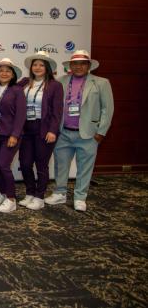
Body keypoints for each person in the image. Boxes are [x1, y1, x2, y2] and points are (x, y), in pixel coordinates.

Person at [45, 50, 114, 212]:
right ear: (70, 66)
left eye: (82, 63)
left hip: (88, 134)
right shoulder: (60, 81)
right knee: (61, 165)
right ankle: (60, 193)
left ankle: (80, 197)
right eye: (75, 64)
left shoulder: (101, 83)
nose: (78, 67)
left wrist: (101, 132)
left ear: (89, 66)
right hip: (63, 132)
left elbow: (107, 109)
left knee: (85, 168)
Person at [17, 51, 64, 211]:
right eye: (35, 65)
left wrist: (53, 130)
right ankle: (30, 192)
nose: (37, 67)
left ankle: (39, 197)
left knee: (41, 165)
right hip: (25, 128)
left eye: (41, 65)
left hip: (44, 129)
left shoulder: (55, 85)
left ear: (47, 68)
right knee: (25, 163)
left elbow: (57, 111)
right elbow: (7, 88)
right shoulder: (24, 82)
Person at [0, 58, 25, 213]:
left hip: (9, 135)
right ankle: (2, 193)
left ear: (13, 74)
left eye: (8, 71)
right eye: (1, 70)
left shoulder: (17, 90)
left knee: (4, 165)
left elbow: (21, 115)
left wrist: (15, 135)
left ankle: (11, 198)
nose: (4, 73)